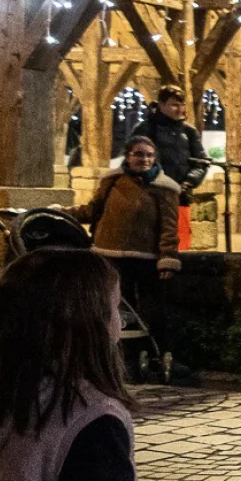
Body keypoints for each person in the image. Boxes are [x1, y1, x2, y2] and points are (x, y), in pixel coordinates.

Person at [0, 248, 191, 481]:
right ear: (87, 323)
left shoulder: (3, 392)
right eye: (113, 310)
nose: (120, 323)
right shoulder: (90, 418)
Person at [67, 135, 182, 384]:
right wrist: (63, 213)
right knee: (114, 310)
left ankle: (153, 355)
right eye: (139, 154)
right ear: (127, 156)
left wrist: (168, 258)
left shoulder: (166, 188)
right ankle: (116, 359)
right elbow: (93, 209)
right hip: (108, 255)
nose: (144, 159)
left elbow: (169, 227)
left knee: (149, 310)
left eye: (149, 155)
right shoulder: (112, 181)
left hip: (145, 258)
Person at [130, 86, 207, 252]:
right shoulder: (145, 129)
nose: (180, 109)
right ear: (162, 105)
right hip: (150, 197)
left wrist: (189, 182)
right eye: (174, 105)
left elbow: (201, 162)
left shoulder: (189, 132)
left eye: (182, 104)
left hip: (180, 196)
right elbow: (132, 160)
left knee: (180, 243)